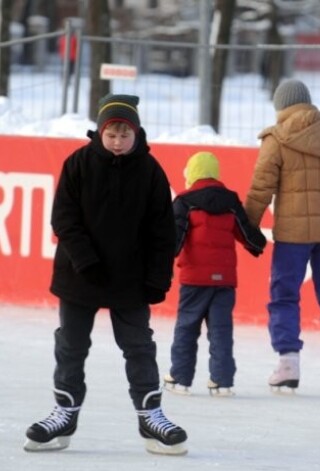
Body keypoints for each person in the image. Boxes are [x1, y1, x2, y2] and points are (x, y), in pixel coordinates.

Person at [24, 94, 188, 455]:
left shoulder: (150, 172)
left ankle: (151, 415)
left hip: (130, 279)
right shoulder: (78, 164)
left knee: (139, 346)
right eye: (111, 134)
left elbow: (163, 231)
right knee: (71, 345)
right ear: (100, 133)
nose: (117, 141)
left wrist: (158, 278)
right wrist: (86, 261)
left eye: (124, 135)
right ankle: (64, 412)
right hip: (80, 274)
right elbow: (64, 219)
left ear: (136, 133)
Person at [245, 79, 320, 393]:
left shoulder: (277, 139)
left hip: (293, 234)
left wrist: (247, 227)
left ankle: (288, 364)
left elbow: (260, 190)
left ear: (280, 107)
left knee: (284, 296)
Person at [163, 151, 266, 397]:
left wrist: (162, 264)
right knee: (221, 330)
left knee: (187, 328)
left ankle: (180, 378)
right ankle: (222, 381)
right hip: (224, 281)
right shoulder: (230, 202)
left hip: (194, 280)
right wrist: (258, 244)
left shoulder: (185, 202)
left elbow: (174, 242)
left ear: (192, 174)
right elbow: (249, 236)